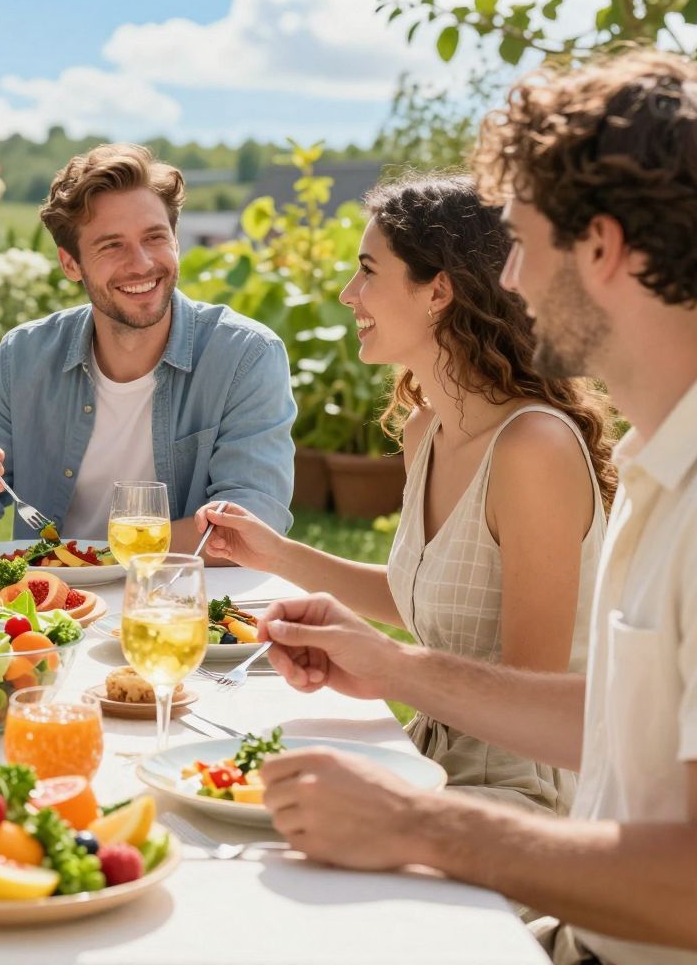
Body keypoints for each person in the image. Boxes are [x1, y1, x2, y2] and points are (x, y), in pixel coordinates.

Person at [250, 49, 697, 964]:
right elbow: (610, 715)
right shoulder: (670, 459)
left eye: (520, 242)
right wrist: (393, 670)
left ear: (599, 246)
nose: (507, 279)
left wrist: (421, 826)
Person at [196, 175, 613, 813]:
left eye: (368, 271)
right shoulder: (429, 430)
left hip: (521, 793)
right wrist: (275, 555)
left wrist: (389, 668)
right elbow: (420, 590)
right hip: (430, 760)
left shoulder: (534, 449)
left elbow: (537, 700)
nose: (348, 293)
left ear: (438, 291)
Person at [0, 143, 296, 552]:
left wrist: (96, 557)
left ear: (175, 239)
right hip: (53, 609)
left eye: (155, 237)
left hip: (180, 603)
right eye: (112, 245)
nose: (141, 263)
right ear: (71, 264)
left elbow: (250, 529)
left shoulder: (245, 356)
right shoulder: (23, 357)